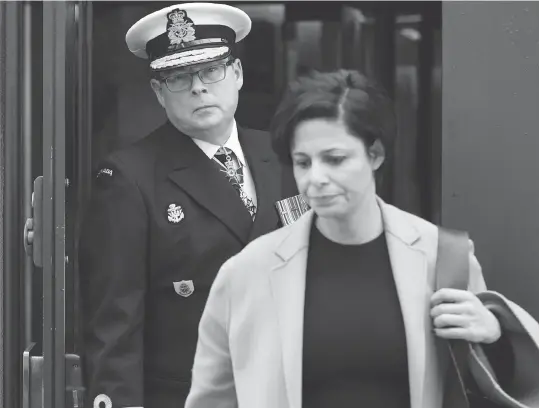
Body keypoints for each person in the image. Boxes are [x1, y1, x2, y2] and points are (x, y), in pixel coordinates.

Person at [184, 69, 539, 408]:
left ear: (375, 155)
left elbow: (495, 383)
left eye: (335, 159)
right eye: (303, 162)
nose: (315, 178)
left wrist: (494, 335)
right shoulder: (247, 272)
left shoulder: (441, 256)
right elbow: (212, 398)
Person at [78, 3, 297, 408]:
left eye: (211, 70)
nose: (199, 87)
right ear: (159, 93)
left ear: (237, 74)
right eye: (179, 78)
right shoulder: (130, 178)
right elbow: (115, 322)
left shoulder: (284, 156)